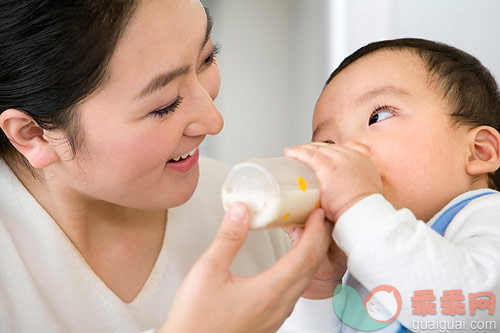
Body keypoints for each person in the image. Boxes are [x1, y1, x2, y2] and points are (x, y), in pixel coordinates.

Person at [0, 1, 335, 332]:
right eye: (164, 105)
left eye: (207, 57)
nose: (213, 121)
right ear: (34, 135)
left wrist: (319, 295)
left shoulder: (254, 212)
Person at [284, 38, 500, 332]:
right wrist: (318, 288)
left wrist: (355, 204)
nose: (349, 150)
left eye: (379, 116)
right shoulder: (360, 260)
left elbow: (471, 311)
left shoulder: (487, 215)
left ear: (479, 151)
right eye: (328, 143)